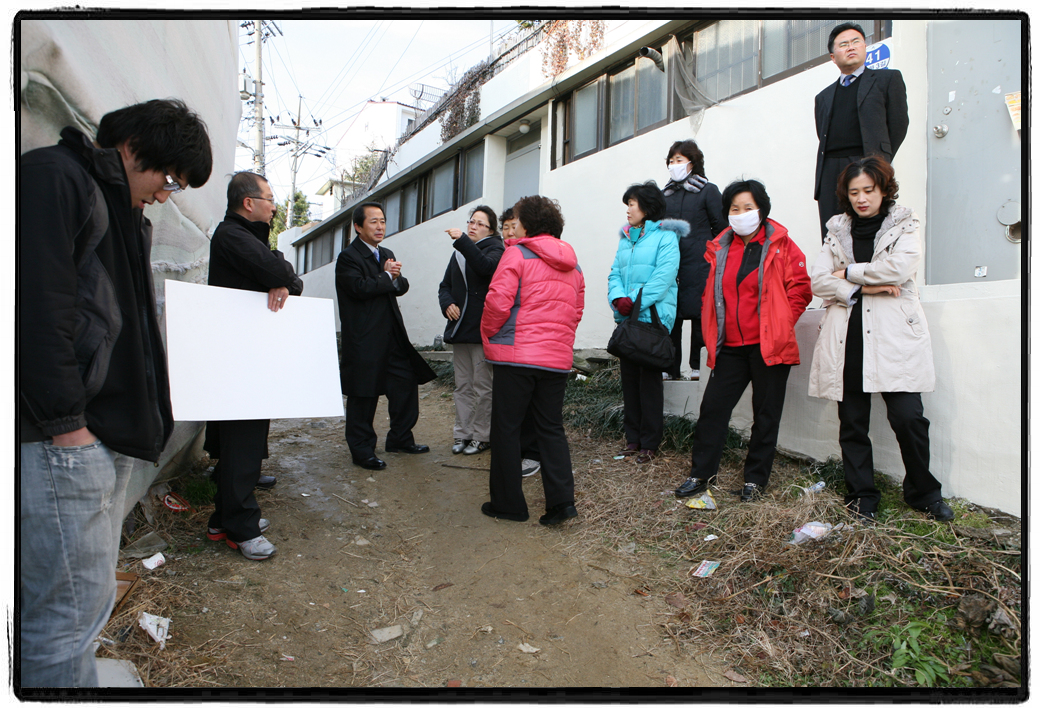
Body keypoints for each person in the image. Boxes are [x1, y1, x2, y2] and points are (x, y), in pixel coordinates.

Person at [19, 98, 212, 687]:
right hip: (62, 440)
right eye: (169, 178)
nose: (166, 194)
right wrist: (66, 426)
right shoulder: (54, 179)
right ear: (133, 149)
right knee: (65, 615)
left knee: (82, 602)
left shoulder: (122, 208)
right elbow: (35, 309)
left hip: (92, 438)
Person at [808, 157, 954, 523]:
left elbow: (900, 268)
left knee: (909, 418)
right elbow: (818, 280)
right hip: (848, 334)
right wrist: (865, 289)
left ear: (883, 189)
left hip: (894, 335)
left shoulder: (904, 222)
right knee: (852, 423)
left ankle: (924, 493)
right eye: (854, 192)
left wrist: (850, 272)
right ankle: (862, 497)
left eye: (868, 191)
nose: (861, 199)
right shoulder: (837, 229)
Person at [673, 179, 812, 502]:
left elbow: (800, 289)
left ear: (761, 210)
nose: (741, 214)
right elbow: (713, 294)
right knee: (712, 410)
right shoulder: (721, 247)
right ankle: (701, 474)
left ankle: (755, 480)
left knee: (765, 415)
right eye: (734, 209)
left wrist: (780, 324)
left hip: (769, 347)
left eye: (748, 208)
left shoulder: (781, 245)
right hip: (731, 348)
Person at [203, 172, 304, 561]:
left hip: (247, 353)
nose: (275, 206)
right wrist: (280, 278)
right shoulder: (231, 235)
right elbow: (282, 273)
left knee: (241, 441)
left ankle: (222, 518)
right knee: (242, 442)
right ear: (249, 203)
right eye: (270, 198)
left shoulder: (247, 237)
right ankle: (240, 527)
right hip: (236, 357)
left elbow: (283, 274)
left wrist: (280, 277)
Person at [480, 195, 585, 525]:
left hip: (516, 356)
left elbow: (497, 303)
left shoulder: (517, 253)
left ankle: (509, 504)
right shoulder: (574, 264)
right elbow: (576, 312)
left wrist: (490, 335)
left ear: (529, 224)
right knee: (551, 430)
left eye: (518, 218)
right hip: (555, 360)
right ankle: (561, 504)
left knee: (507, 430)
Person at [336, 202, 436, 471]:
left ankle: (400, 439)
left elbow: (400, 286)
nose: (380, 226)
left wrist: (394, 277)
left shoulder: (386, 253)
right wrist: (386, 276)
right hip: (365, 338)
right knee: (364, 396)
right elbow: (358, 288)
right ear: (358, 227)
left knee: (405, 385)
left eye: (382, 221)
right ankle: (362, 450)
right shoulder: (348, 257)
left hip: (392, 336)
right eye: (373, 221)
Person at [607, 181, 685, 463]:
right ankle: (633, 439)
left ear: (647, 207)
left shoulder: (666, 236)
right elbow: (614, 273)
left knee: (649, 383)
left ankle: (650, 443)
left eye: (632, 203)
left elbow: (664, 276)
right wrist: (618, 299)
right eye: (627, 204)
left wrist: (636, 301)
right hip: (628, 317)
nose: (628, 209)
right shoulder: (626, 238)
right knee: (629, 381)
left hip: (651, 316)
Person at [814, 22, 908, 241]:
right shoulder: (823, 97)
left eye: (856, 42)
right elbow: (823, 134)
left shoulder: (887, 79)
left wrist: (878, 162)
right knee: (834, 232)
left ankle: (871, 274)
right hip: (830, 168)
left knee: (871, 228)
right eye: (843, 44)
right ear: (832, 56)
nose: (850, 47)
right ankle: (837, 274)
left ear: (865, 47)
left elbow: (898, 125)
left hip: (867, 161)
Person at [439, 205, 505, 456]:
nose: (472, 226)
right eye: (471, 221)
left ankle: (482, 435)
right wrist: (447, 304)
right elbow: (444, 285)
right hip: (459, 329)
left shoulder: (496, 248)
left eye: (479, 223)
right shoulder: (459, 251)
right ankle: (462, 433)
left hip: (482, 329)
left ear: (491, 230)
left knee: (483, 386)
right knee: (462, 385)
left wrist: (463, 242)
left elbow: (486, 269)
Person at [660, 140, 726, 382]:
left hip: (701, 262)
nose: (674, 165)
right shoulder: (664, 194)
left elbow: (721, 227)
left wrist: (712, 255)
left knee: (701, 313)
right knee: (671, 315)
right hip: (671, 263)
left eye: (679, 160)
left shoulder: (708, 190)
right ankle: (669, 366)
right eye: (671, 161)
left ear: (692, 163)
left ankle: (698, 366)